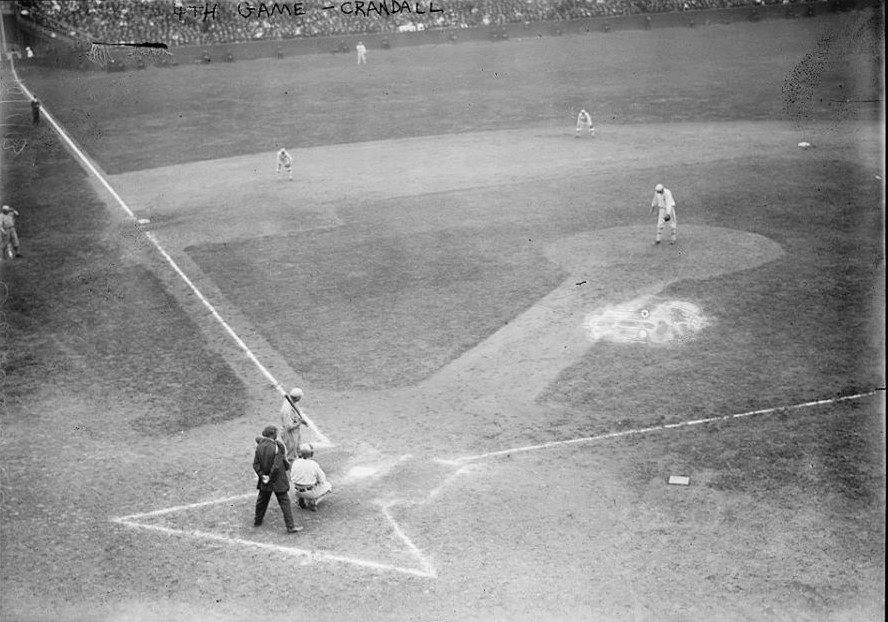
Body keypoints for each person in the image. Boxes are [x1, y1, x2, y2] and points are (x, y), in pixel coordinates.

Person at [253, 425, 302, 533]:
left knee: (262, 500)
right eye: (276, 433)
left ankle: (257, 521)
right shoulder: (276, 447)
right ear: (272, 434)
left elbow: (256, 464)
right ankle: (290, 526)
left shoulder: (259, 446)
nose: (277, 434)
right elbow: (276, 466)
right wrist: (270, 476)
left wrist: (263, 476)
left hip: (265, 480)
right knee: (284, 502)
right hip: (277, 480)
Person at [291, 443, 333, 511]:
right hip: (309, 492)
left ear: (300, 453)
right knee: (329, 486)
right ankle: (313, 502)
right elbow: (322, 480)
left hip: (296, 491)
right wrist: (316, 481)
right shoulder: (313, 464)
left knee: (305, 483)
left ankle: (301, 499)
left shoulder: (295, 462)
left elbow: (293, 476)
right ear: (311, 454)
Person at [279, 387, 306, 466]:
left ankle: (302, 465)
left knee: (298, 449)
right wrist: (299, 422)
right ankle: (292, 471)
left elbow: (296, 415)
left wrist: (299, 420)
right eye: (300, 397)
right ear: (297, 398)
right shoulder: (286, 410)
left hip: (295, 431)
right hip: (289, 433)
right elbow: (288, 427)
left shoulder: (293, 402)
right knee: (291, 454)